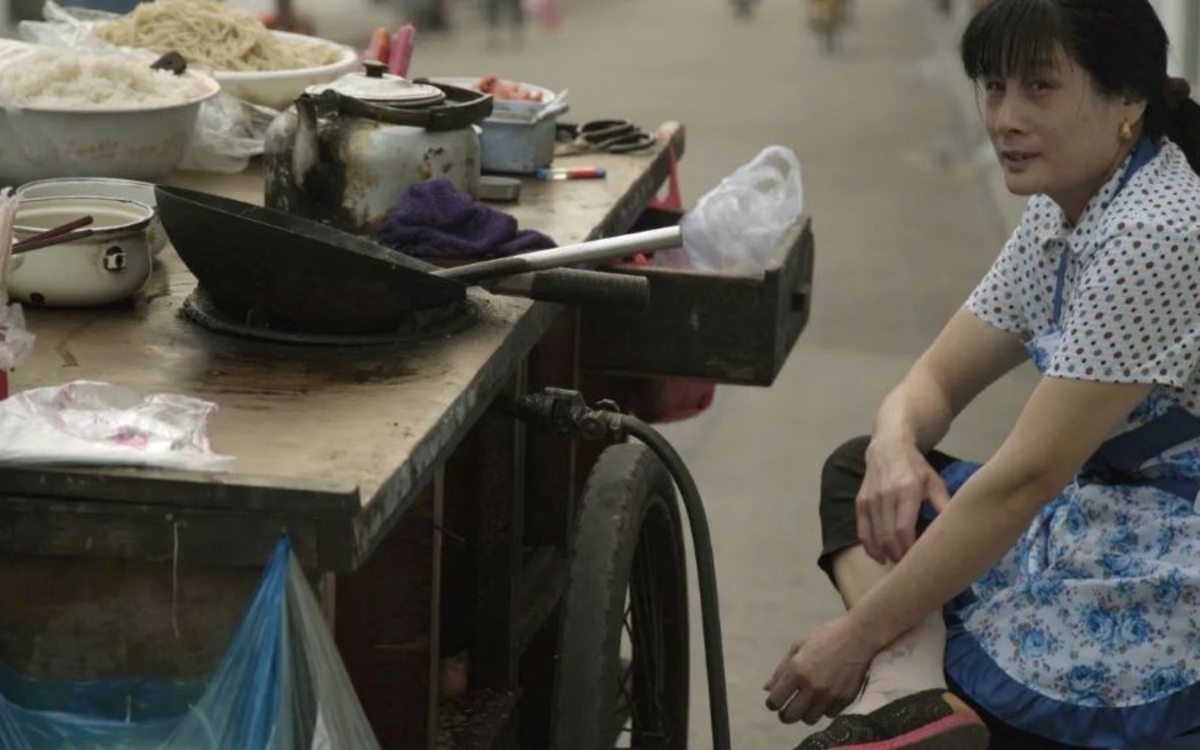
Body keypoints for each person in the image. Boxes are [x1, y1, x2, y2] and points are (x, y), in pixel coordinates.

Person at [763, 1, 1200, 748]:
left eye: (1039, 88)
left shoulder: (1155, 233)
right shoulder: (1062, 209)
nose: (1005, 119)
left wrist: (854, 636)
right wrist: (895, 445)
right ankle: (910, 695)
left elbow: (1025, 479)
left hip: (1166, 558)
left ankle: (917, 698)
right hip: (1089, 517)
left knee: (945, 587)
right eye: (994, 87)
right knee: (862, 470)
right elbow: (933, 381)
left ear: (1127, 97)